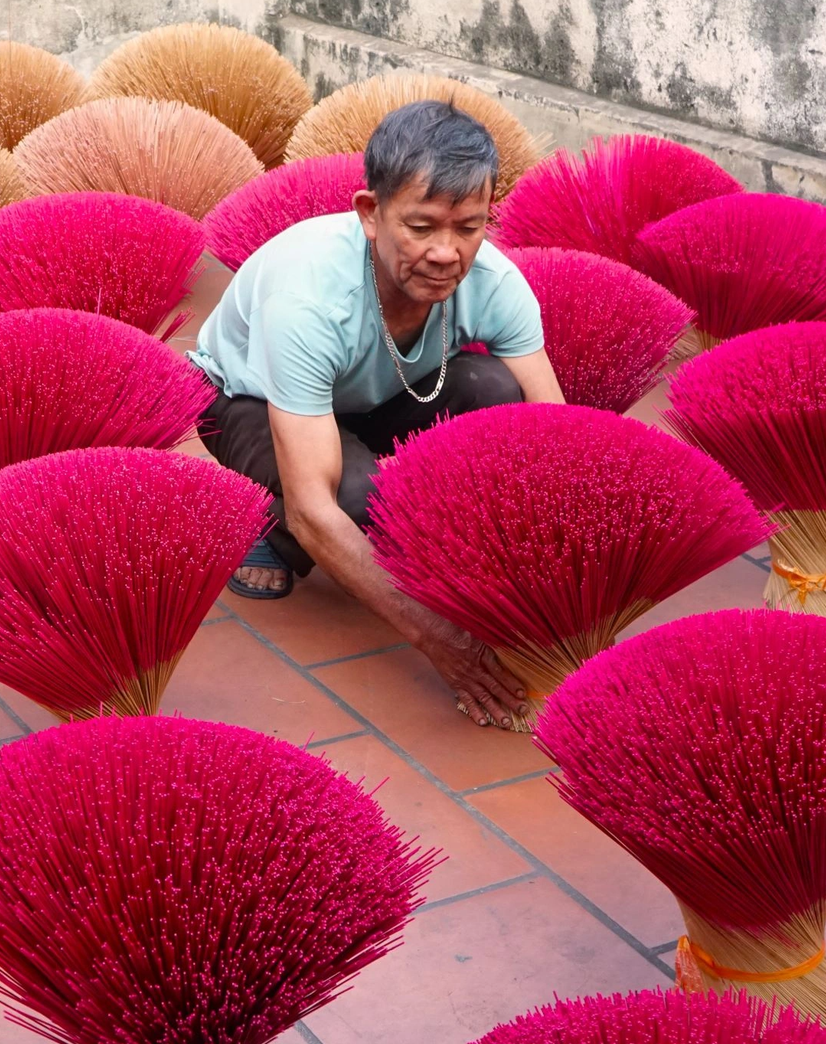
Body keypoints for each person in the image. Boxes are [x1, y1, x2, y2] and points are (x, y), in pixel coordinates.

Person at [188, 100, 565, 728]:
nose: (448, 253)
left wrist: (551, 592)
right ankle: (273, 533)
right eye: (422, 227)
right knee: (353, 495)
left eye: (468, 227)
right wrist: (442, 639)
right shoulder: (310, 300)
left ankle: (370, 480)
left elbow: (556, 437)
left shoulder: (495, 282)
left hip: (374, 398)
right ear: (370, 214)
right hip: (248, 401)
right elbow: (317, 506)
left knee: (497, 391)